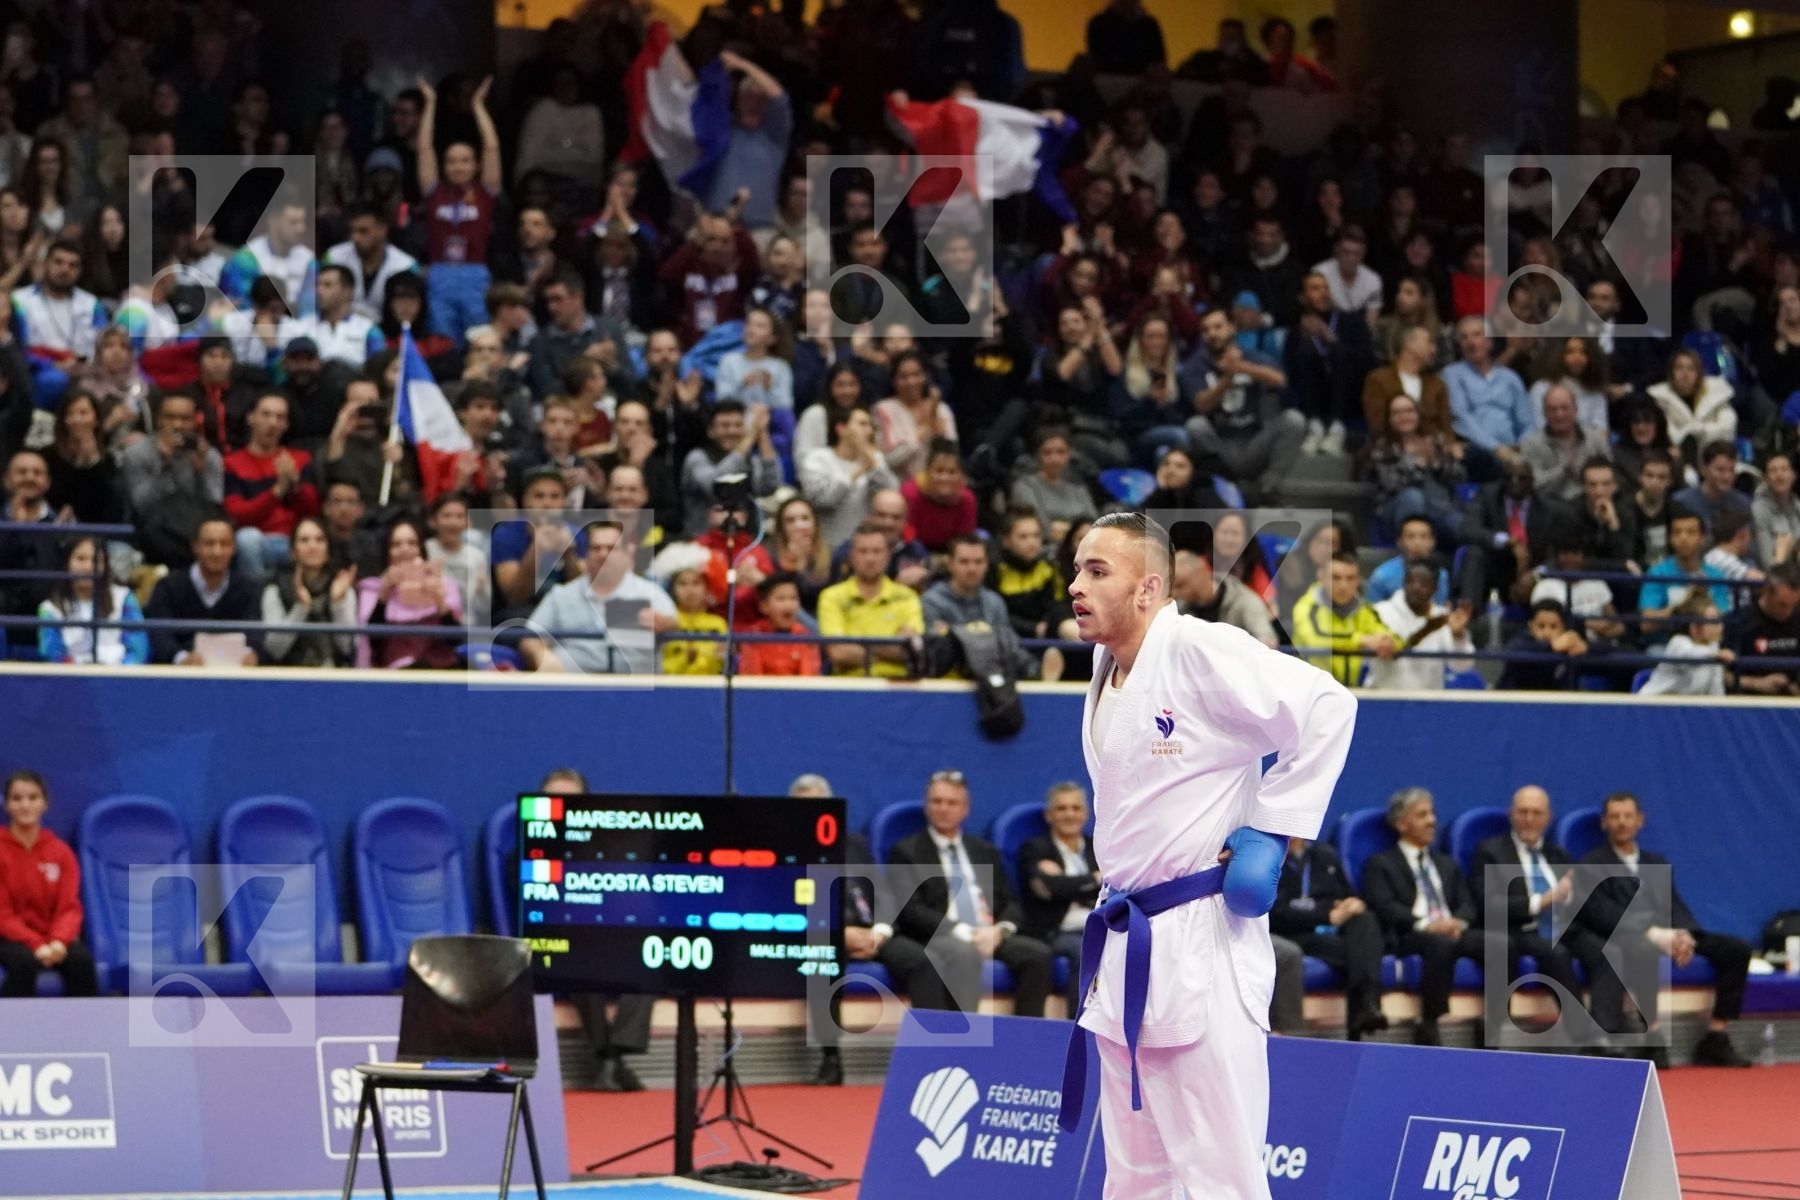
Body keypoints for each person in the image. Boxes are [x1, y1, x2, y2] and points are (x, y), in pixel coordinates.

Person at [1057, 511, 1356, 1198]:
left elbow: (1327, 706)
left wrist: (1270, 828)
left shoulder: (1195, 648)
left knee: (1220, 1173)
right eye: (1076, 569)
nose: (1076, 585)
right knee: (1134, 1173)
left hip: (1201, 938)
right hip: (1127, 940)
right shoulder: (1107, 664)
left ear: (1148, 588)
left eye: (1097, 571)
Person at [1575, 793, 1754, 1067]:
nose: (1622, 822)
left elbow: (1674, 905)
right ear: (1604, 823)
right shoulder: (1590, 864)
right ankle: (1652, 1034)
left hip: (1667, 932)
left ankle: (1716, 1036)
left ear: (1640, 821)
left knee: (1736, 950)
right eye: (1614, 816)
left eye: (1627, 816)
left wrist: (1684, 936)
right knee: (1643, 947)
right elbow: (1603, 914)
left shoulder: (1656, 862)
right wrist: (1653, 934)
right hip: (1627, 936)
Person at [885, 771, 1055, 1018]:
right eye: (936, 802)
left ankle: (1023, 1042)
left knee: (1038, 955)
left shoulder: (982, 850)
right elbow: (911, 911)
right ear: (927, 806)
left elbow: (1010, 901)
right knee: (964, 954)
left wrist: (1000, 931)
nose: (943, 808)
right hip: (943, 935)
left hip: (989, 932)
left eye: (951, 803)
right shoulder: (906, 852)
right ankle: (962, 1046)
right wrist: (963, 932)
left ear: (965, 809)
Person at [1363, 788, 1514, 1046]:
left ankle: (1494, 1022)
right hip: (1409, 934)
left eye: (1432, 813)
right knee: (1440, 944)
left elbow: (1467, 903)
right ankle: (1431, 1022)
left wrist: (1457, 922)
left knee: (1501, 944)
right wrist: (1428, 925)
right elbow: (1384, 906)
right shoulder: (1381, 864)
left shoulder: (1446, 863)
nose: (1432, 820)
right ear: (1401, 823)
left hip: (1452, 930)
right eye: (1422, 815)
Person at [540, 768, 653, 1091]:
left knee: (651, 966)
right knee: (579, 967)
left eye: (570, 801)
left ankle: (610, 1056)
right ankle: (613, 1060)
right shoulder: (524, 852)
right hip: (559, 944)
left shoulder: (607, 853)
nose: (561, 807)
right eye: (553, 800)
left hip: (610, 940)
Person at [1469, 786, 1592, 1034]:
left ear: (1547, 817)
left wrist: (1569, 899)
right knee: (1554, 952)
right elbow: (1488, 905)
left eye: (1536, 813)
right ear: (1511, 814)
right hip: (1519, 931)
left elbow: (1578, 903)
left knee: (1604, 950)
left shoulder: (1559, 855)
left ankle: (1610, 1026)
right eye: (1522, 812)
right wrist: (1542, 901)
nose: (1529, 819)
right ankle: (1581, 1032)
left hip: (1562, 928)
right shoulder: (1490, 851)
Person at [519, 520, 677, 675]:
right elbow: (530, 637)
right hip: (573, 688)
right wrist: (540, 655)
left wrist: (667, 626)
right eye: (596, 548)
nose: (603, 554)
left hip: (634, 687)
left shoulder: (650, 592)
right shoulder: (561, 595)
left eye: (611, 548)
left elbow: (675, 627)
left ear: (626, 554)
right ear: (587, 554)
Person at [1180, 306, 1302, 505]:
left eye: (1218, 327)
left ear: (1232, 328)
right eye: (1206, 330)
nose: (1212, 334)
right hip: (1220, 445)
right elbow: (1201, 405)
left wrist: (1241, 368)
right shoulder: (1196, 365)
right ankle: (1224, 488)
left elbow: (1279, 380)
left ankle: (1267, 488)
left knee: (1293, 421)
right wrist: (1227, 379)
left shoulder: (1253, 357)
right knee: (1195, 425)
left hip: (1255, 442)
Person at [1269, 837, 1386, 1039]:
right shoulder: (1271, 856)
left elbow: (1346, 894)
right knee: (1360, 954)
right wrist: (1326, 916)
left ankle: (1366, 1009)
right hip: (1293, 933)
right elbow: (1273, 912)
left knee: (1366, 921)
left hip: (1330, 932)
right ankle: (1364, 1011)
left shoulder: (1325, 855)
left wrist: (1351, 904)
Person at [0, 771, 99, 996]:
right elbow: (2, 916)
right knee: (24, 964)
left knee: (81, 962)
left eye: (33, 798)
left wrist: (59, 942)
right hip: (7, 939)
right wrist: (36, 944)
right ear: (7, 805)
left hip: (53, 939)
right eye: (17, 799)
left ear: (45, 803)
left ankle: (84, 1029)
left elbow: (69, 907)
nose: (25, 806)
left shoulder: (60, 852)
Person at [1018, 782, 1101, 1017]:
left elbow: (1111, 885)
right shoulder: (1034, 849)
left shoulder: (1098, 848)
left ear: (1085, 814)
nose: (1069, 814)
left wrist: (1066, 883)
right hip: (1056, 931)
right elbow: (1047, 889)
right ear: (1049, 815)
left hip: (1098, 924)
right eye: (1062, 808)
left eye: (1076, 808)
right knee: (1087, 948)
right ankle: (1079, 1025)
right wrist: (1093, 879)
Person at [223, 392, 320, 585]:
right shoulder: (232, 463)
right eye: (266, 415)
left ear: (286, 425)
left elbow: (313, 511)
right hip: (255, 544)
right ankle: (258, 599)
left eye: (280, 417)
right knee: (246, 538)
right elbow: (237, 514)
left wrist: (294, 486)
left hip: (292, 542)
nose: (273, 423)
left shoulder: (300, 459)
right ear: (251, 417)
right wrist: (277, 491)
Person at [922, 534, 1045, 681]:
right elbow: (936, 651)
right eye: (964, 562)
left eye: (978, 562)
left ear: (987, 564)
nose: (972, 568)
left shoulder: (994, 602)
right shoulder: (932, 600)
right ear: (950, 564)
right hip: (945, 681)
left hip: (992, 680)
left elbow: (1007, 645)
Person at [144, 517, 264, 666]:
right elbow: (159, 635)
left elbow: (255, 635)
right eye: (209, 543)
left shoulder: (248, 589)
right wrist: (182, 659)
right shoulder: (168, 586)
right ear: (195, 546)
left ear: (234, 548)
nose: (217, 551)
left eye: (224, 544)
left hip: (235, 673)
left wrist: (250, 655)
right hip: (180, 677)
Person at [816, 524, 925, 678]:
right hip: (849, 687)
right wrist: (888, 648)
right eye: (863, 551)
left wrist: (860, 647)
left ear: (887, 556)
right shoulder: (831, 596)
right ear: (851, 556)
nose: (870, 558)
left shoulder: (907, 596)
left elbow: (910, 649)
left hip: (897, 687)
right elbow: (838, 653)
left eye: (877, 551)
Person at [354, 517, 463, 670]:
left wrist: (440, 602)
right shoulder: (373, 589)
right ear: (388, 552)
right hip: (396, 670)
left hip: (441, 668)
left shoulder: (445, 585)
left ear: (421, 549)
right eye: (396, 544)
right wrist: (384, 594)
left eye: (412, 543)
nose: (405, 549)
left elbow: (457, 641)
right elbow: (373, 642)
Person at [1289, 550, 1397, 686]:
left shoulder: (1364, 609)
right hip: (1309, 689)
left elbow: (1393, 637)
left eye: (1350, 578)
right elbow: (1317, 640)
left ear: (1358, 580)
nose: (1343, 585)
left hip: (1351, 691)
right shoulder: (1306, 607)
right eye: (1336, 578)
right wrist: (1362, 640)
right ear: (1321, 576)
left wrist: (1387, 642)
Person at [261, 516, 357, 668]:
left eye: (319, 540)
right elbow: (274, 650)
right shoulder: (275, 588)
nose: (312, 546)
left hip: (335, 676)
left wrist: (337, 604)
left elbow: (347, 648)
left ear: (328, 549)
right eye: (304, 540)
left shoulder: (341, 584)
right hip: (289, 677)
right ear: (293, 551)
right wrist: (301, 608)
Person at [36, 537, 148, 666]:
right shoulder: (50, 610)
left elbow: (138, 650)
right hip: (73, 681)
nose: (88, 567)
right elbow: (53, 656)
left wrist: (118, 675)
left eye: (96, 560)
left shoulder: (124, 599)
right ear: (67, 562)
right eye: (81, 559)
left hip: (120, 679)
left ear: (105, 564)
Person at [800, 405, 897, 550]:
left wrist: (874, 466)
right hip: (829, 547)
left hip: (866, 548)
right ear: (842, 429)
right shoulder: (817, 459)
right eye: (862, 424)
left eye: (870, 426)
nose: (869, 431)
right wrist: (859, 471)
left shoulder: (875, 459)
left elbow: (892, 494)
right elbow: (823, 500)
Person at [1369, 562, 1475, 690]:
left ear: (1435, 589)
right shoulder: (1379, 612)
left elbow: (1462, 666)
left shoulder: (1443, 617)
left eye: (1424, 584)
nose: (1416, 588)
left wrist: (1458, 636)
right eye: (1411, 582)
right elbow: (1363, 657)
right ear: (1404, 583)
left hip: (1428, 704)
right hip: (1383, 700)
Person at [1519, 384, 1611, 506]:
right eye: (1553, 409)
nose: (1559, 415)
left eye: (1565, 408)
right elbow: (1532, 484)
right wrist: (1563, 470)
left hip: (1591, 506)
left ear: (1575, 410)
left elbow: (1611, 473)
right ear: (1544, 413)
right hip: (1550, 508)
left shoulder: (1595, 439)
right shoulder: (1531, 444)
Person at [1640, 592, 1733, 696]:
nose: (1721, 627)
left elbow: (1716, 688)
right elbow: (1691, 655)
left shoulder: (1714, 647)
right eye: (1713, 622)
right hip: (1653, 704)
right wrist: (1716, 655)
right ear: (1694, 627)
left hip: (1686, 707)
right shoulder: (1678, 643)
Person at [1732, 558, 1800, 695]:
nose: (1788, 611)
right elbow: (1721, 674)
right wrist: (1756, 684)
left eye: (1795, 605)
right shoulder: (1740, 621)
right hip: (1749, 703)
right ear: (1766, 592)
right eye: (1782, 604)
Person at [737, 573, 822, 677]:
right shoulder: (752, 639)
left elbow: (809, 682)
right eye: (781, 599)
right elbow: (752, 684)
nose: (788, 605)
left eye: (793, 598)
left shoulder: (806, 638)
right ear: (764, 606)